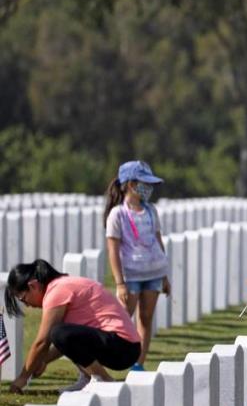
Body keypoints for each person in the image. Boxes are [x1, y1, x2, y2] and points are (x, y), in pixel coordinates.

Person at [5, 260, 141, 394]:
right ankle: (88, 378)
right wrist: (43, 361)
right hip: (125, 346)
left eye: (23, 298)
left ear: (33, 286)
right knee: (61, 333)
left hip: (122, 345)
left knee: (58, 332)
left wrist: (23, 378)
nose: (27, 305)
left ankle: (103, 379)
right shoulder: (63, 284)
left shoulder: (56, 291)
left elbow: (42, 342)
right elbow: (68, 343)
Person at [104, 160, 171, 372]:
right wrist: (120, 283)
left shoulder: (151, 211)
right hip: (131, 275)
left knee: (146, 318)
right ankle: (116, 358)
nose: (148, 188)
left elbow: (158, 240)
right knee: (123, 319)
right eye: (145, 183)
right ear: (131, 184)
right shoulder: (118, 214)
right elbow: (113, 250)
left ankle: (138, 363)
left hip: (153, 273)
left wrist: (164, 275)